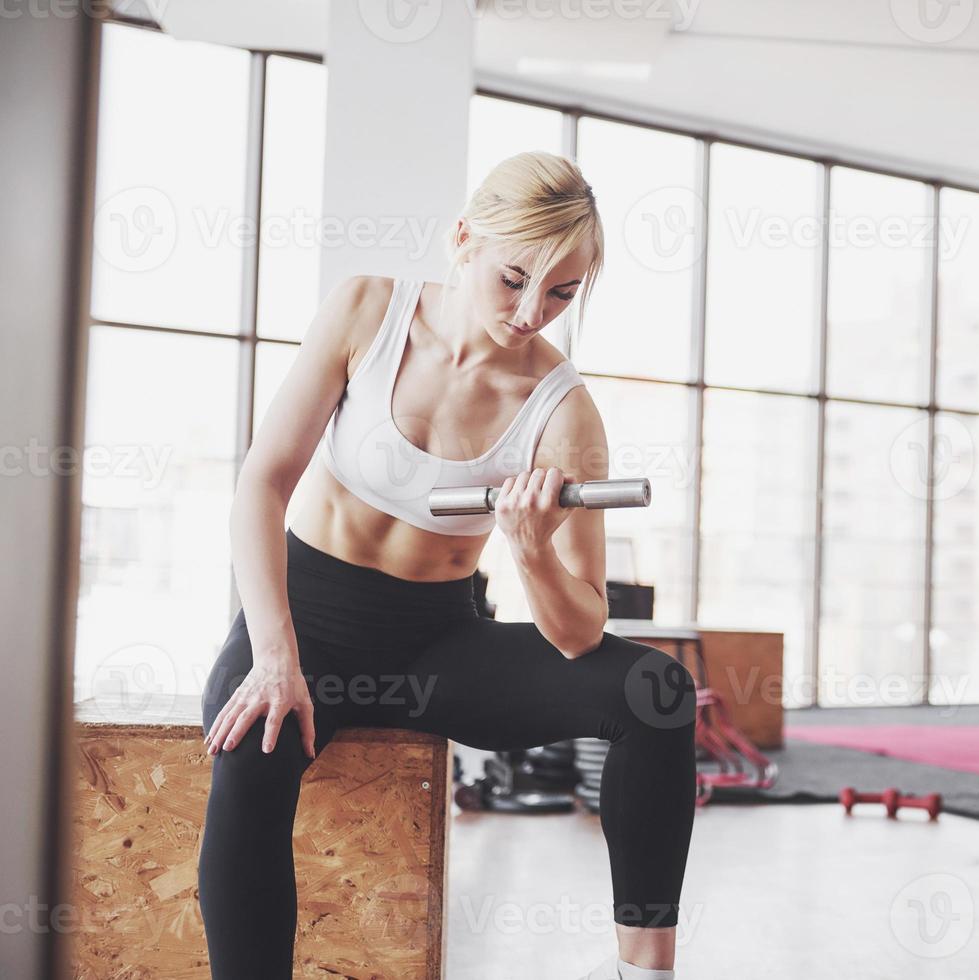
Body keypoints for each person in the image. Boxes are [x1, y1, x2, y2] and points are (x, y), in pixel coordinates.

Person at [196, 151, 697, 980]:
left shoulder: (562, 410)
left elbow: (578, 632)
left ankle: (645, 970)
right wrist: (275, 658)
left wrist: (531, 550)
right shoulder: (368, 310)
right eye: (513, 279)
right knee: (254, 741)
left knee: (656, 693)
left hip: (435, 644)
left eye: (562, 293)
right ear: (463, 239)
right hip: (306, 617)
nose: (532, 311)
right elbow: (262, 482)